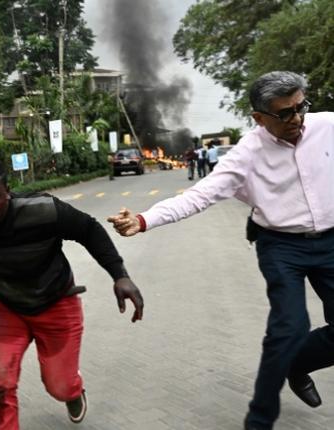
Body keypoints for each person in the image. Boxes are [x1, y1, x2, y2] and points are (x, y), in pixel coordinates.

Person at [106, 71, 334, 430]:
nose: (298, 119)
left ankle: (296, 364)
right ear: (259, 118)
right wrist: (144, 219)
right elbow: (199, 196)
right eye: (285, 113)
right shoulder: (244, 155)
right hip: (281, 246)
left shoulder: (327, 126)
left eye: (300, 107)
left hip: (331, 240)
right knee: (289, 325)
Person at [0, 156, 144, 429]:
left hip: (57, 301)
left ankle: (73, 390)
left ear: (7, 193)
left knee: (59, 386)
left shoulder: (42, 210)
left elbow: (89, 229)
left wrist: (120, 275)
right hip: (7, 305)